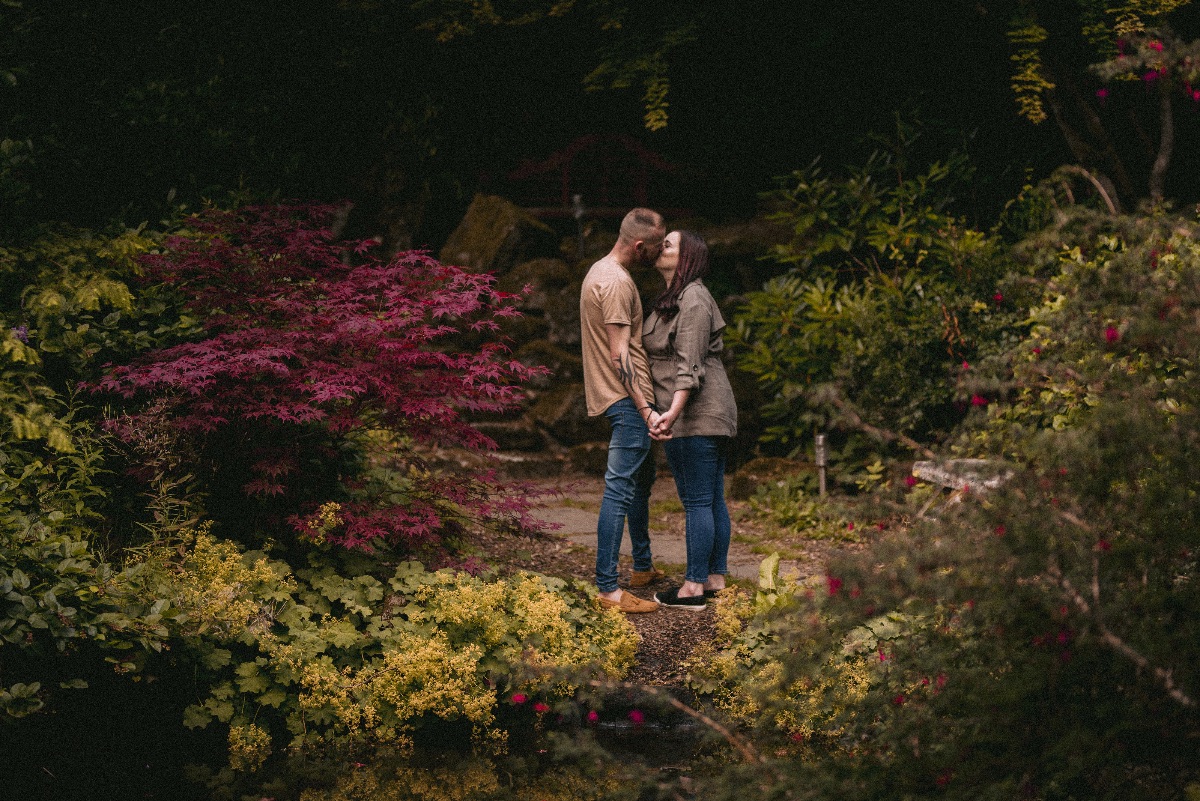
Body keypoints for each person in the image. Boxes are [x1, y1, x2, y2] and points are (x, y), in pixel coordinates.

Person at [580, 208, 668, 613]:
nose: (662, 249)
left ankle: (644, 567)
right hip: (627, 400)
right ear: (638, 246)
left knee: (639, 485)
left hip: (624, 400)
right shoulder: (615, 282)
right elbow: (620, 356)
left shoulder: (601, 270)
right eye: (657, 244)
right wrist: (645, 408)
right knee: (618, 492)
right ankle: (608, 590)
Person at [644, 230, 737, 610]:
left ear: (687, 257)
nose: (660, 247)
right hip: (699, 413)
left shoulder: (694, 298)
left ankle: (693, 588)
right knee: (711, 498)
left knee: (698, 500)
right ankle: (715, 579)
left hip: (697, 414)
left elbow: (690, 366)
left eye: (668, 244)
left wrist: (672, 413)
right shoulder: (677, 298)